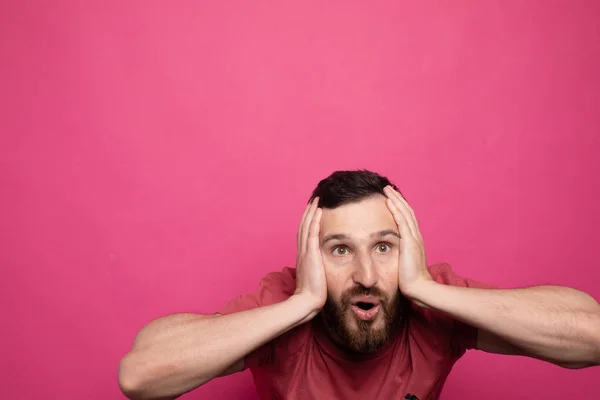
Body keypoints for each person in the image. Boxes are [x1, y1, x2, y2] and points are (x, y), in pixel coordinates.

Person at [118, 170, 600, 400]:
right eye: (340, 250)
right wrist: (303, 303)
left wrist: (427, 289)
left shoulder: (433, 301)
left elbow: (591, 337)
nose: (366, 275)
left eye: (384, 247)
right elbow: (140, 376)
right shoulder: (283, 304)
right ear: (311, 257)